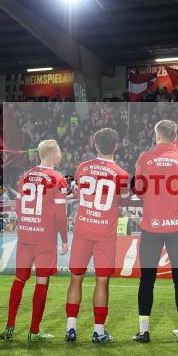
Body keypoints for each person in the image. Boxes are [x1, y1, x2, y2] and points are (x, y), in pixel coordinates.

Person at [132, 120, 178, 343]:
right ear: (175, 136)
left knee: (146, 280)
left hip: (151, 227)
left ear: (156, 135)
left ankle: (144, 331)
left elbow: (139, 191)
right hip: (177, 227)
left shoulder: (145, 159)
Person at [65, 128, 129, 343]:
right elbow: (125, 199)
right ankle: (98, 331)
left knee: (76, 279)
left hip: (83, 230)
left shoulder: (83, 167)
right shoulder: (121, 174)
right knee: (102, 282)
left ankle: (70, 329)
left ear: (95, 145)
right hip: (105, 233)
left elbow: (76, 192)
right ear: (116, 146)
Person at [0, 139, 68, 342]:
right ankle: (34, 331)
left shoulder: (25, 177)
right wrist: (64, 239)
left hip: (26, 236)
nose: (61, 157)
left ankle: (10, 327)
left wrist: (27, 225)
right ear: (54, 154)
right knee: (41, 281)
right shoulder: (57, 179)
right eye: (59, 153)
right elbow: (61, 215)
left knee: (19, 280)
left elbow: (18, 208)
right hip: (45, 238)